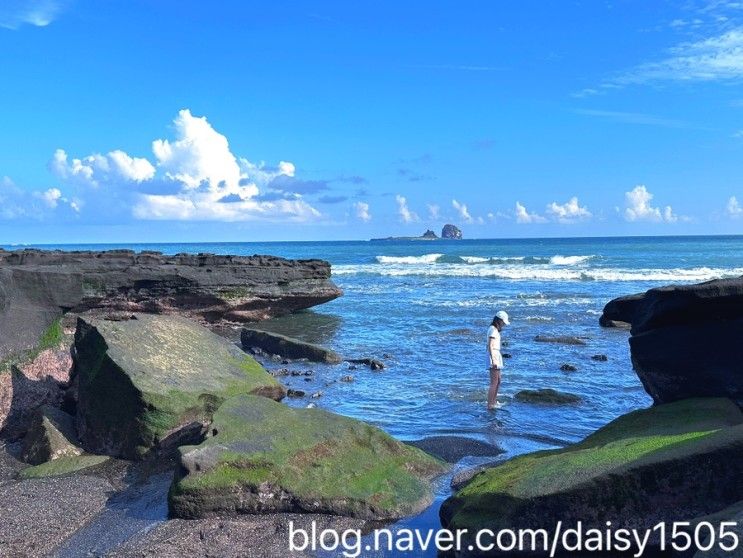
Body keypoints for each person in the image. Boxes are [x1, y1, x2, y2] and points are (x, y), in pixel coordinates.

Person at [487, 310, 510, 410]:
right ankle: (490, 404)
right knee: (494, 382)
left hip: (496, 354)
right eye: (503, 322)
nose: (504, 324)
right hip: (494, 355)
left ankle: (494, 401)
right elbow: (490, 346)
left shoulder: (494, 330)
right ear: (499, 320)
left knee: (498, 380)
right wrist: (494, 360)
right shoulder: (492, 329)